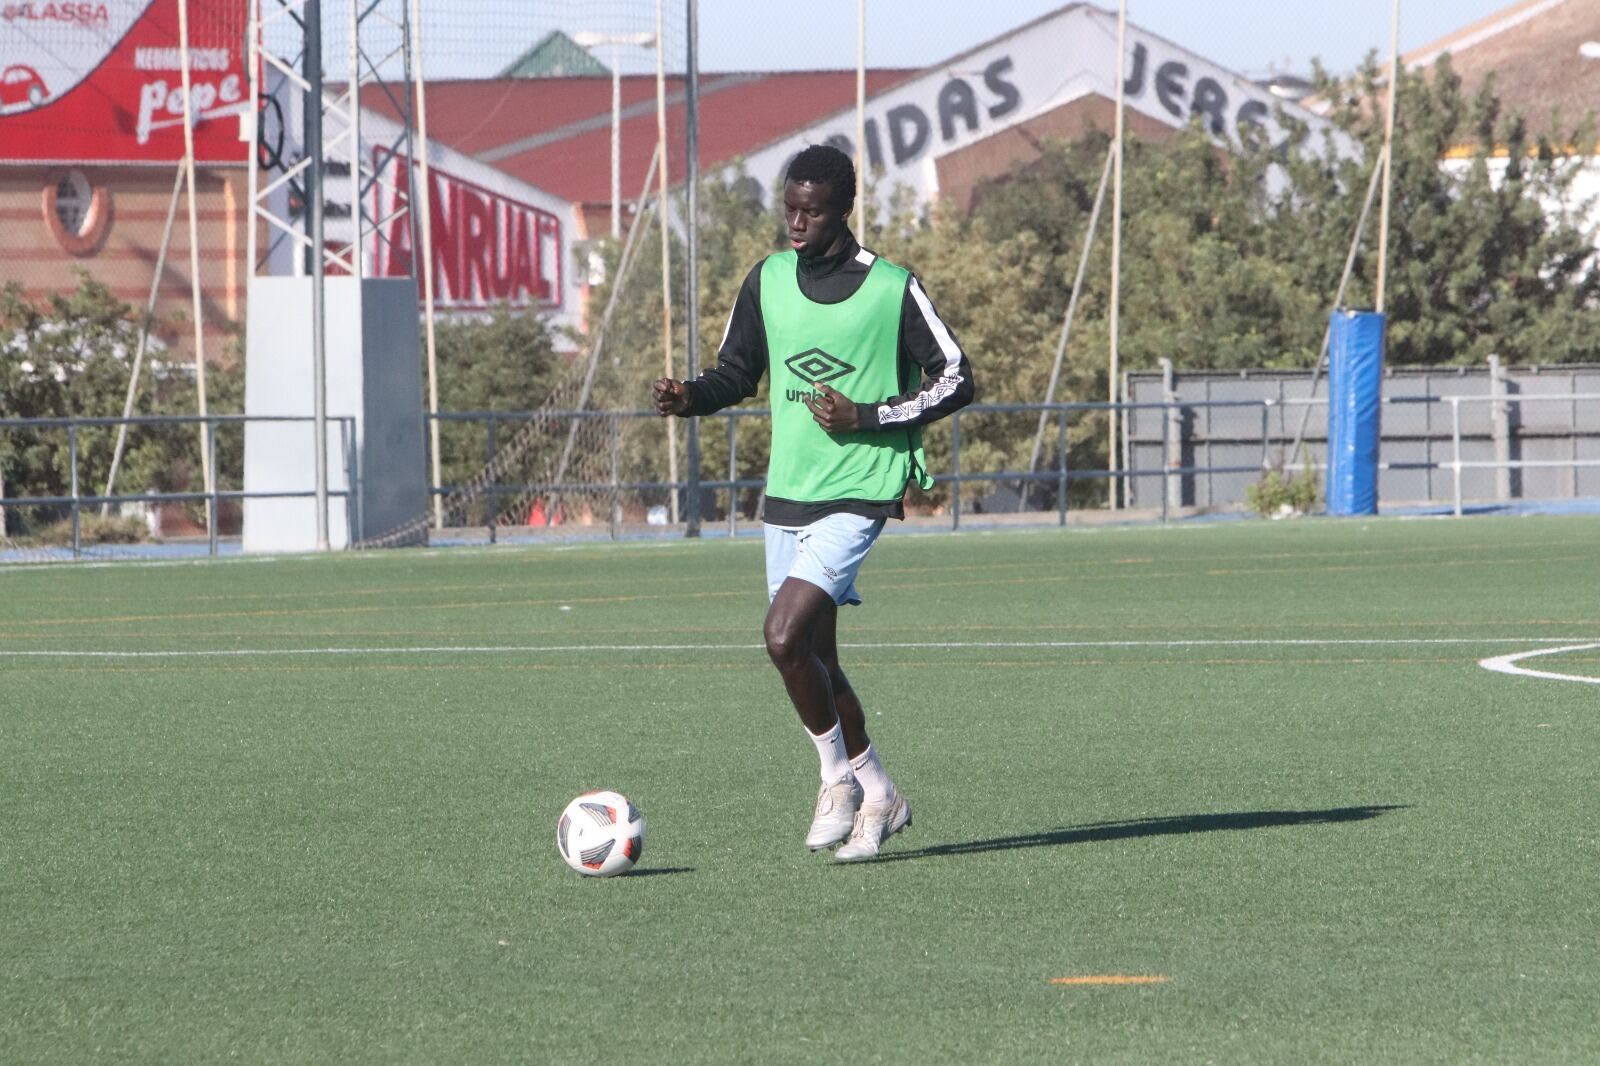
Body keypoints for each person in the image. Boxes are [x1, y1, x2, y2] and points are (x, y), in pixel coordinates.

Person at [653, 144, 975, 861]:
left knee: (780, 635)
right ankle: (880, 792)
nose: (796, 224)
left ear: (843, 210)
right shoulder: (767, 280)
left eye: (812, 211)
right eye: (789, 209)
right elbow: (736, 373)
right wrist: (689, 398)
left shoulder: (891, 287)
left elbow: (955, 377)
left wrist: (870, 416)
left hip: (861, 487)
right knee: (813, 656)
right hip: (789, 490)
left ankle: (836, 778)